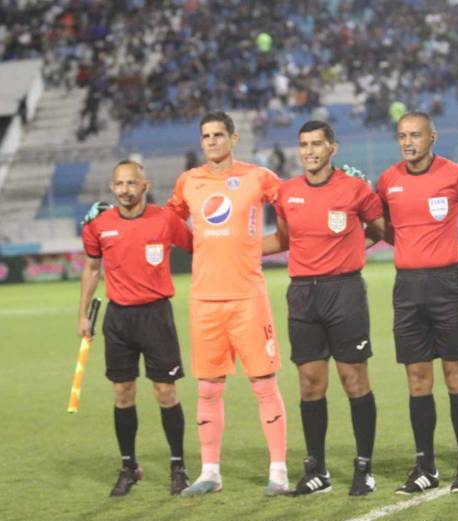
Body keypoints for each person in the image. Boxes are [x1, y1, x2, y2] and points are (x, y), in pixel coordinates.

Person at [167, 111, 289, 497]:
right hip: (204, 299)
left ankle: (279, 471)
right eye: (206, 135)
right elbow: (169, 224)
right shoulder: (189, 182)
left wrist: (264, 247)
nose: (212, 141)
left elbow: (294, 209)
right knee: (207, 389)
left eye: (219, 134)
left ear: (234, 138)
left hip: (248, 297)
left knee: (264, 384)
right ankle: (210, 473)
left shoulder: (259, 177)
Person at [263, 121, 386, 496]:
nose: (310, 151)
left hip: (344, 292)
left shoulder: (355, 190)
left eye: (317, 144)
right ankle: (317, 469)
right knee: (310, 384)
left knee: (354, 380)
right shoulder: (286, 193)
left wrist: (352, 251)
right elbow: (284, 239)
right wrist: (231, 249)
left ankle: (364, 468)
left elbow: (380, 230)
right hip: (302, 294)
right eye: (304, 145)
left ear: (332, 148)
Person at [376, 112, 458, 494]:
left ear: (432, 137)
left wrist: (457, 234)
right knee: (417, 379)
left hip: (447, 284)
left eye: (415, 135)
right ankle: (426, 466)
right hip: (407, 287)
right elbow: (379, 223)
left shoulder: (456, 175)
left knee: (456, 375)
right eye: (402, 135)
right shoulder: (388, 180)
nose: (407, 142)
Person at [79, 160, 192, 496]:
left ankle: (178, 468)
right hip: (119, 319)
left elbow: (198, 247)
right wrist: (82, 315)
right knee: (122, 394)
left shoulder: (165, 219)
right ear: (112, 188)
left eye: (132, 183)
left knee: (165, 393)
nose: (125, 190)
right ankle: (129, 467)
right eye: (119, 184)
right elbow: (91, 269)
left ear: (145, 186)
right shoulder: (99, 226)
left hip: (156, 316)